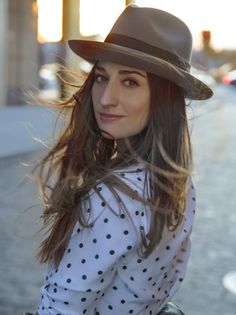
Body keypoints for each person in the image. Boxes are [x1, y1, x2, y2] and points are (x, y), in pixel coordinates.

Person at [33, 4, 213, 315]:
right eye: (101, 77)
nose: (105, 98)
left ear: (164, 97)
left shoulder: (114, 197)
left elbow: (62, 306)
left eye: (130, 82)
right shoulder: (178, 181)